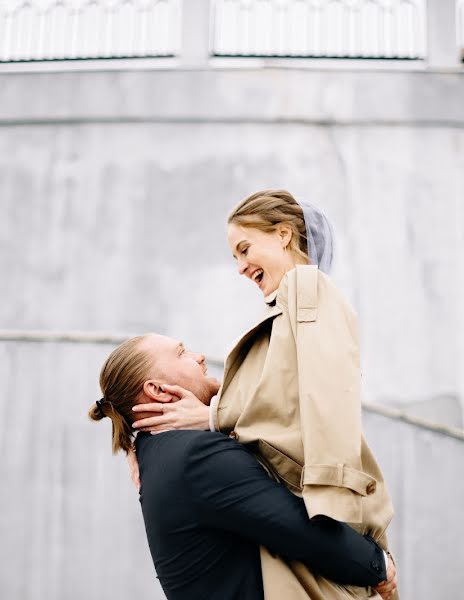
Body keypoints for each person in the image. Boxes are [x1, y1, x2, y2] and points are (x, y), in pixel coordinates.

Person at [130, 190, 399, 599]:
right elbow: (274, 395)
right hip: (301, 519)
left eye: (244, 249)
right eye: (234, 257)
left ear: (284, 235)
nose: (240, 267)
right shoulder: (284, 310)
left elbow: (322, 398)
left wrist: (211, 417)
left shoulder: (308, 287)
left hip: (319, 509)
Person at [89, 334, 397, 600]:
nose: (198, 357)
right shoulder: (196, 456)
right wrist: (376, 565)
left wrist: (212, 414)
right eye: (182, 353)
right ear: (158, 390)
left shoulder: (155, 451)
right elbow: (295, 525)